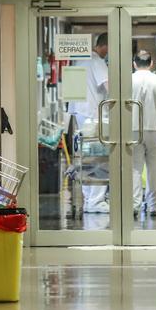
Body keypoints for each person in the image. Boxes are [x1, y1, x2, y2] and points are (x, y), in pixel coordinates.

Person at [68, 33, 110, 213]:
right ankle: (96, 202)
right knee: (99, 158)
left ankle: (89, 199)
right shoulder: (97, 62)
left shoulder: (80, 60)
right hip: (93, 115)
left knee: (86, 159)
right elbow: (109, 86)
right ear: (105, 46)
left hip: (80, 114)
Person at [130, 50, 156, 217]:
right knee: (153, 168)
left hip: (132, 129)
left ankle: (134, 205)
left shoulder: (128, 80)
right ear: (151, 63)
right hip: (154, 128)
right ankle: (154, 205)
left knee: (134, 168)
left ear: (134, 64)